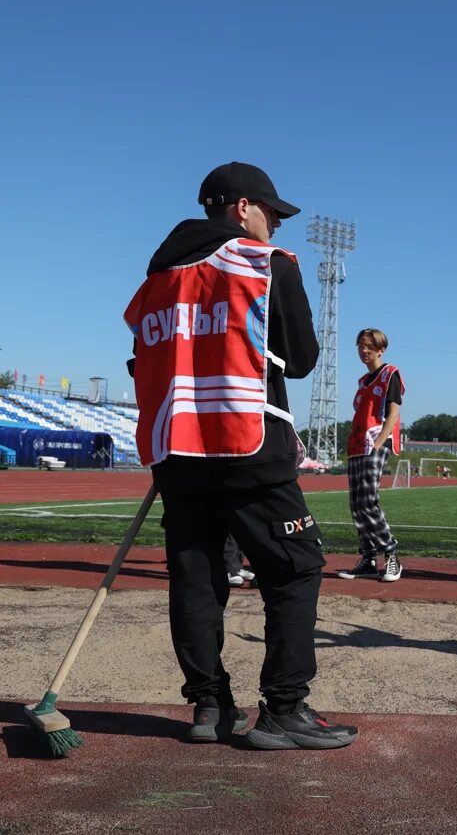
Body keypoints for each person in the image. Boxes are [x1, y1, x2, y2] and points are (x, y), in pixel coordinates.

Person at [124, 161, 357, 750]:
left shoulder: (154, 282)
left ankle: (209, 706)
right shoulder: (264, 265)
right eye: (272, 212)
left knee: (197, 576)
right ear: (241, 208)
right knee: (297, 565)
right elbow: (301, 358)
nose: (276, 225)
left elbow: (142, 361)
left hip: (176, 450)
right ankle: (284, 708)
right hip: (248, 444)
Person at [337, 329, 406, 582]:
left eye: (369, 346)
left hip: (374, 442)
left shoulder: (390, 375)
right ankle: (368, 558)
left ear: (380, 349)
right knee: (356, 505)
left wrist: (378, 442)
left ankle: (391, 555)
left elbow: (393, 413)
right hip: (357, 445)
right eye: (360, 346)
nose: (363, 351)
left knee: (368, 500)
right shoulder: (362, 382)